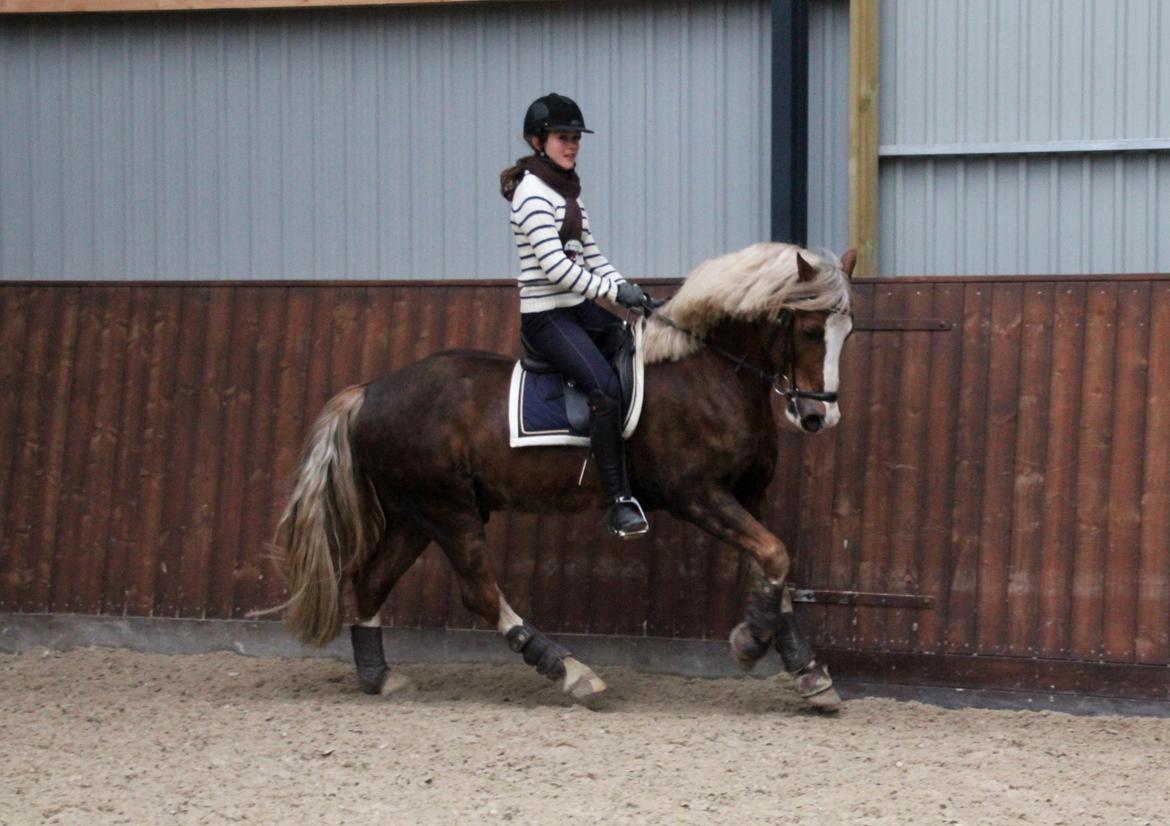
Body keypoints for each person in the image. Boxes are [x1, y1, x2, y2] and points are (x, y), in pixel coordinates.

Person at [500, 92, 650, 539]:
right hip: (547, 317)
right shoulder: (530, 195)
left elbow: (592, 256)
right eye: (563, 138)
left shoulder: (570, 194)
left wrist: (629, 289)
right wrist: (611, 290)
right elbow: (558, 269)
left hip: (577, 308)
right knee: (603, 388)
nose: (571, 146)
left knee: (634, 349)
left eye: (575, 139)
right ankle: (617, 500)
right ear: (537, 140)